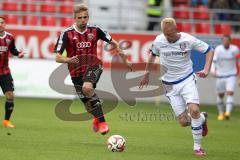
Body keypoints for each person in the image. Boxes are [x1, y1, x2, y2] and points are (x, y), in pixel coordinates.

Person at [139, 18, 214, 156]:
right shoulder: (159, 41)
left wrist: (206, 68)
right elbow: (152, 55)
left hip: (187, 79)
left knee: (194, 109)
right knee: (184, 122)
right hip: (169, 85)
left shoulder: (188, 40)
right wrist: (146, 74)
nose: (168, 37)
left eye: (170, 34)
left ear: (176, 29)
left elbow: (209, 50)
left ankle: (197, 148)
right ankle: (202, 118)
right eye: (165, 34)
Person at [54, 4, 131, 135]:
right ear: (75, 18)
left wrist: (125, 59)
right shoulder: (66, 34)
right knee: (88, 105)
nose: (83, 20)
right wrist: (68, 59)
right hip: (76, 72)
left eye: (85, 17)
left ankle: (102, 122)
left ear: (88, 17)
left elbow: (114, 42)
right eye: (80, 18)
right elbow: (57, 57)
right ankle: (96, 117)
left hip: (94, 65)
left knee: (88, 88)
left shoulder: (95, 30)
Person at [0, 16, 24, 128]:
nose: (0, 24)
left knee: (10, 95)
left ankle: (6, 121)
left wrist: (18, 54)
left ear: (5, 24)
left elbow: (13, 50)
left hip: (4, 72)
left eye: (2, 22)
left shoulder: (9, 37)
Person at [211, 35, 240, 120]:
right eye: (224, 40)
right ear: (222, 41)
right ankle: (221, 113)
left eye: (227, 40)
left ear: (230, 41)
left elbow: (238, 61)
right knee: (220, 95)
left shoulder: (235, 49)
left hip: (231, 75)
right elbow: (214, 61)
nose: (225, 42)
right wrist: (213, 70)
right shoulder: (218, 49)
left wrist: (239, 76)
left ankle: (227, 113)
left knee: (230, 92)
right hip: (220, 75)